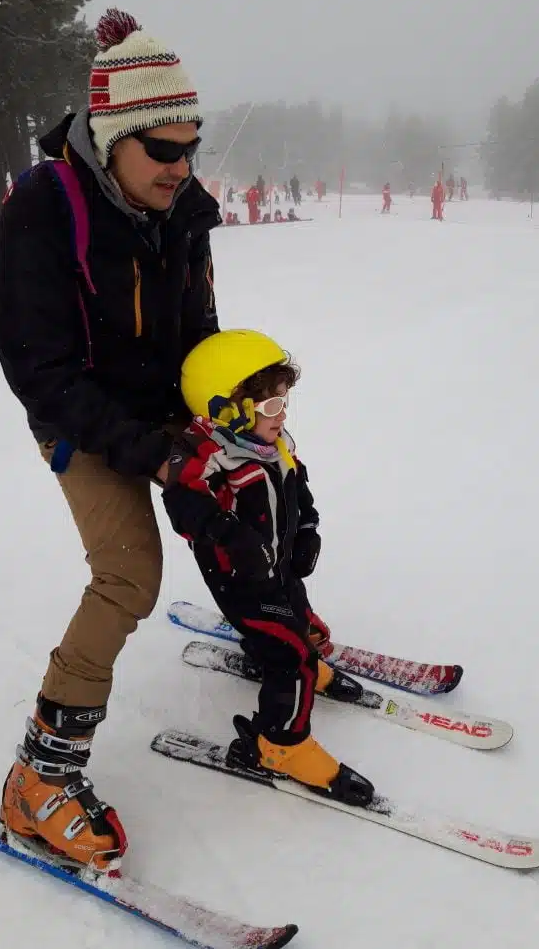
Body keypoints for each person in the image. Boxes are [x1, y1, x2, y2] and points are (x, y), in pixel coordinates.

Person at [0, 8, 221, 871]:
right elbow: (39, 371)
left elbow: (200, 321)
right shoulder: (42, 212)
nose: (181, 164)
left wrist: (223, 413)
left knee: (241, 484)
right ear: (111, 135)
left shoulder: (182, 206)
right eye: (162, 148)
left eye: (191, 145)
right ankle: (38, 777)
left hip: (160, 401)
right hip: (80, 417)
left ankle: (280, 643)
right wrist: (153, 453)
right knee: (129, 574)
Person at [162, 330, 375, 806]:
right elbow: (182, 503)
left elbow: (299, 489)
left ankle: (292, 657)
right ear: (228, 410)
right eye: (272, 405)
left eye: (284, 401)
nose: (283, 414)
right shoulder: (204, 455)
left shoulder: (270, 443)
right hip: (240, 581)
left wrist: (307, 530)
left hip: (277, 568)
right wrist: (232, 537)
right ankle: (280, 746)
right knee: (290, 657)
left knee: (299, 618)